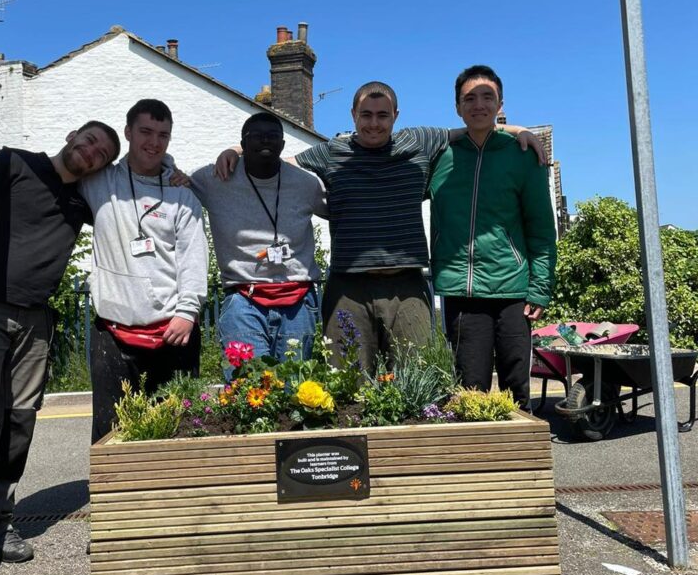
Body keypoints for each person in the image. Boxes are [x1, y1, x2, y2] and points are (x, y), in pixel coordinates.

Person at [217, 81, 545, 372]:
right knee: (348, 382)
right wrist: (236, 148)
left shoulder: (419, 141)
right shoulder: (332, 152)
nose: (374, 123)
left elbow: (476, 127)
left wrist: (517, 131)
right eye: (366, 115)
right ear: (353, 115)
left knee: (414, 379)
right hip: (348, 287)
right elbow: (277, 163)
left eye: (382, 115)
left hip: (407, 286)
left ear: (395, 115)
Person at [0, 122, 121, 575]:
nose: (92, 152)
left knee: (19, 422)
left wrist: (173, 171)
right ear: (73, 134)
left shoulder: (84, 198)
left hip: (35, 318)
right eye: (91, 139)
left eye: (103, 153)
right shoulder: (13, 161)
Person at [428, 65, 557, 410]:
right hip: (461, 288)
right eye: (469, 98)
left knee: (517, 388)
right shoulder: (438, 155)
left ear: (500, 105)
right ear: (457, 107)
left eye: (488, 97)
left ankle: (526, 461)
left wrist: (540, 286)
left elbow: (542, 228)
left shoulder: (522, 155)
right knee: (469, 391)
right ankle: (477, 460)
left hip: (513, 289)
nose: (479, 104)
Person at [82, 99, 208, 443]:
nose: (154, 142)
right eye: (145, 132)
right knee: (110, 433)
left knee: (178, 428)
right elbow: (58, 168)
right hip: (113, 331)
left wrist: (187, 311)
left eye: (163, 135)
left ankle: (175, 496)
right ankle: (113, 497)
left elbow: (194, 257)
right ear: (128, 133)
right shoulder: (99, 180)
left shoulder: (182, 195)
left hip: (173, 330)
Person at [189, 112, 328, 364]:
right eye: (257, 137)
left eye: (273, 136)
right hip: (244, 299)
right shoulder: (215, 179)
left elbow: (343, 210)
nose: (265, 141)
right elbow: (169, 183)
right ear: (242, 144)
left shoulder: (307, 184)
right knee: (248, 392)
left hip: (298, 301)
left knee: (295, 391)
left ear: (283, 145)